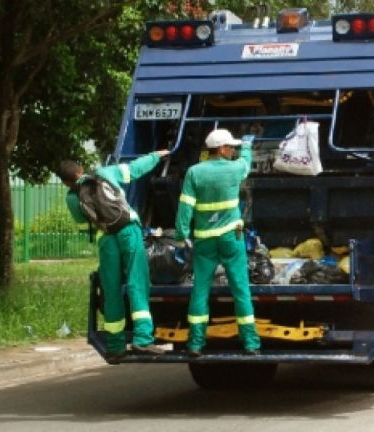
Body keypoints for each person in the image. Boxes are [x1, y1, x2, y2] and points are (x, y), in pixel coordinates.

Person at [57, 150, 170, 362]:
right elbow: (135, 169)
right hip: (128, 230)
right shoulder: (104, 173)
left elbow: (84, 224)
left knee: (111, 290)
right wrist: (155, 155)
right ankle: (143, 339)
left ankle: (116, 346)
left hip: (106, 238)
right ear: (81, 170)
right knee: (137, 281)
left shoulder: (72, 197)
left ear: (65, 182)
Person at [175, 129, 260, 357]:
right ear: (221, 149)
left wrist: (181, 235)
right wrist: (248, 146)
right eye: (230, 147)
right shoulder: (234, 169)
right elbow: (246, 163)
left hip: (204, 242)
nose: (232, 151)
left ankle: (195, 343)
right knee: (240, 289)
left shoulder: (194, 172)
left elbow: (185, 206)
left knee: (200, 290)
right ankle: (250, 343)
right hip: (231, 238)